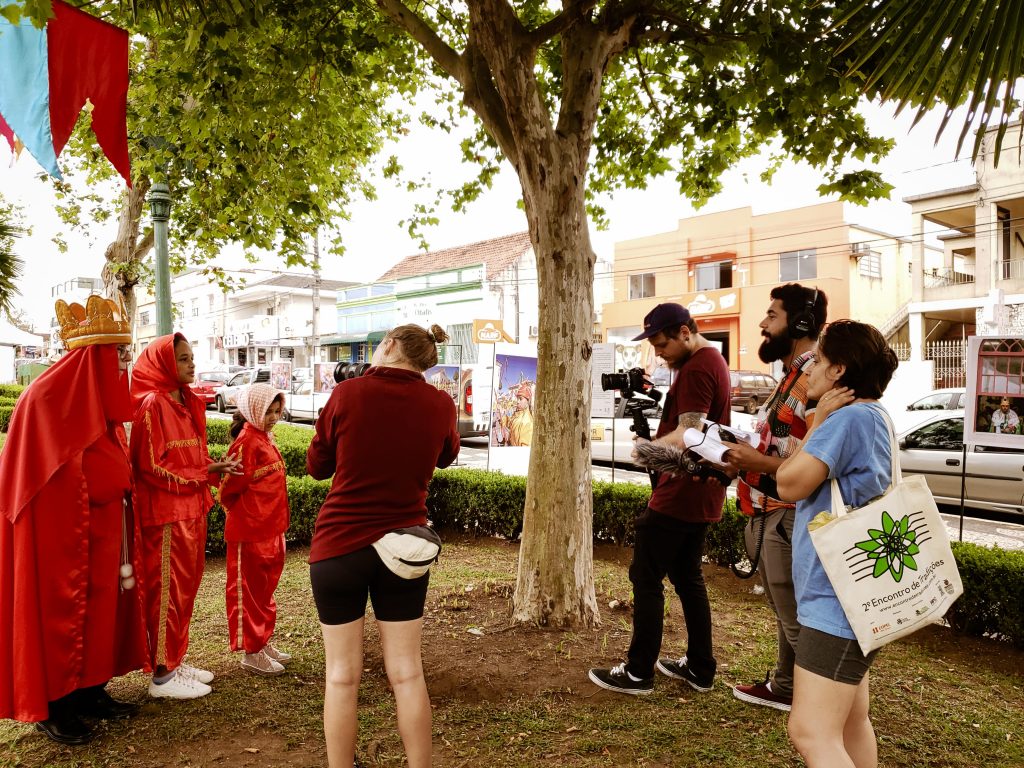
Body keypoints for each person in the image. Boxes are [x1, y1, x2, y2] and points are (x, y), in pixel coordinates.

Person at [306, 323, 460, 768]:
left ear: (389, 345)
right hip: (404, 548)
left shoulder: (347, 395)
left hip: (338, 547)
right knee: (408, 671)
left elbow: (317, 465)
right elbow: (445, 455)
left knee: (341, 676)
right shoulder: (440, 404)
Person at [0, 295, 146, 745]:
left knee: (103, 614)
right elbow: (31, 485)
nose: (124, 363)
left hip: (102, 534)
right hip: (59, 540)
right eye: (118, 354)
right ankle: (55, 706)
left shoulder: (102, 402)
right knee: (62, 618)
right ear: (93, 357)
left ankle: (90, 690)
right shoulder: (43, 399)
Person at [588, 303, 731, 695]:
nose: (659, 352)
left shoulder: (700, 366)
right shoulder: (709, 361)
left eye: (662, 343)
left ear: (685, 332)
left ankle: (638, 672)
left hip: (681, 492)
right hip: (702, 491)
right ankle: (700, 668)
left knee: (645, 576)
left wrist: (647, 450)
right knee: (688, 578)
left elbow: (691, 432)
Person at [775, 320, 899, 768]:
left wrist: (818, 421)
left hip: (836, 601)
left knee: (811, 731)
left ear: (839, 371)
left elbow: (788, 483)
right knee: (849, 722)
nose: (809, 371)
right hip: (857, 598)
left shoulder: (844, 420)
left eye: (820, 362)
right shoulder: (875, 417)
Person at [723, 284, 827, 712]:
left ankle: (821, 703)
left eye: (772, 315)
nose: (763, 324)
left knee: (796, 620)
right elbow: (783, 441)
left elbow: (812, 456)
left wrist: (755, 461)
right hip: (771, 513)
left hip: (785, 516)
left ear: (800, 324)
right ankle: (786, 686)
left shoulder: (814, 377)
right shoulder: (793, 374)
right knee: (789, 615)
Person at [130, 333, 241, 700]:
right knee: (167, 592)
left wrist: (213, 467)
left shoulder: (186, 402)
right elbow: (149, 466)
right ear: (163, 363)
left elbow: (189, 460)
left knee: (186, 590)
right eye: (182, 358)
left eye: (191, 356)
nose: (191, 363)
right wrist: (201, 475)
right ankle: (162, 675)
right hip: (165, 517)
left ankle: (174, 659)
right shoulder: (152, 405)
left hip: (193, 509)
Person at [220, 383, 291, 676]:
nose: (274, 416)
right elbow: (228, 488)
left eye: (277, 411)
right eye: (268, 411)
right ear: (253, 410)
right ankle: (251, 651)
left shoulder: (264, 437)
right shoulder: (247, 441)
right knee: (248, 593)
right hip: (250, 531)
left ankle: (262, 640)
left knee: (264, 590)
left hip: (271, 528)